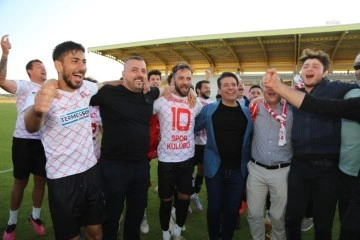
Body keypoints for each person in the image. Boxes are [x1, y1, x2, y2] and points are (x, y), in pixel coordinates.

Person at [261, 48, 358, 240]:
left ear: (325, 72)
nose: (309, 68)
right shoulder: (292, 94)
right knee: (292, 219)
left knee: (323, 224)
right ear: (301, 72)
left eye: (315, 66)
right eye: (306, 66)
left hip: (328, 171)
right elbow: (270, 100)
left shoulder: (337, 89)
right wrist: (257, 98)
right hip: (299, 168)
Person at [23, 41, 111, 240]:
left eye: (83, 61)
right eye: (74, 61)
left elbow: (104, 85)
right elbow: (31, 125)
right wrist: (38, 109)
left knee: (96, 233)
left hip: (90, 172)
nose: (81, 66)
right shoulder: (42, 94)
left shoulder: (86, 88)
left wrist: (129, 81)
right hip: (62, 179)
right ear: (59, 65)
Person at [90, 56, 160, 240]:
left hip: (141, 166)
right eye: (134, 70)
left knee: (135, 215)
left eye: (143, 71)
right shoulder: (108, 93)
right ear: (123, 74)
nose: (140, 74)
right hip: (114, 166)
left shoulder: (149, 93)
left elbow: (166, 90)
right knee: (111, 216)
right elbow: (84, 88)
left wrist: (191, 94)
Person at [195, 72, 252, 240]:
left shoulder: (248, 113)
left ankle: (227, 237)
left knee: (233, 209)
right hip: (215, 169)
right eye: (226, 85)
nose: (230, 88)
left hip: (238, 171)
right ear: (219, 89)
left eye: (233, 84)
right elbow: (192, 129)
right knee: (214, 208)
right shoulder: (209, 110)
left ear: (238, 86)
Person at [0, 35, 47, 240]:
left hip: (44, 142)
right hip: (23, 141)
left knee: (41, 180)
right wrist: (5, 53)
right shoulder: (24, 86)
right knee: (20, 182)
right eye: (39, 66)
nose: (43, 68)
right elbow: (1, 81)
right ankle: (11, 223)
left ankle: (35, 217)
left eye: (44, 65)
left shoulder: (50, 89)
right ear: (30, 71)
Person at [153, 62, 203, 240]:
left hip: (187, 160)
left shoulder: (194, 103)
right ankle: (166, 233)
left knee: (184, 198)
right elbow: (142, 104)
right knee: (166, 202)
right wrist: (161, 89)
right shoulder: (161, 100)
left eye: (188, 78)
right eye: (181, 78)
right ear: (172, 79)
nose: (185, 82)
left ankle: (178, 230)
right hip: (166, 160)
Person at [246, 81, 292, 240]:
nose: (271, 90)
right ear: (262, 90)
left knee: (279, 216)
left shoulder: (293, 109)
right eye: (267, 87)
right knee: (254, 214)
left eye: (275, 87)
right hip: (256, 169)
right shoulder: (254, 107)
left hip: (282, 171)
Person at [140, 69, 163, 235]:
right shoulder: (143, 97)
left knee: (169, 176)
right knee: (142, 181)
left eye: (158, 79)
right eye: (152, 78)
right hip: (143, 146)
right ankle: (143, 214)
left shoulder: (166, 97)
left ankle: (173, 212)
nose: (155, 81)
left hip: (162, 145)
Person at [191, 79, 213, 211]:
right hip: (192, 143)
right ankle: (187, 198)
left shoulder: (212, 104)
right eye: (205, 87)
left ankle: (195, 195)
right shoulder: (194, 102)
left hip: (206, 144)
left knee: (201, 171)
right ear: (198, 90)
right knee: (188, 172)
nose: (208, 89)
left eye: (209, 87)